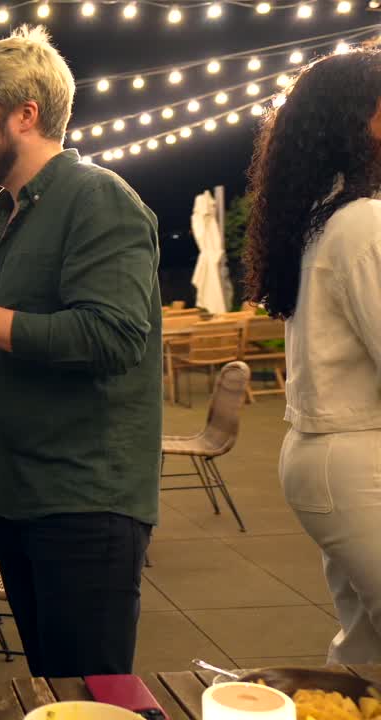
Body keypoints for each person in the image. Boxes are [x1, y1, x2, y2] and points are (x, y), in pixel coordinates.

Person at [0, 25, 162, 678]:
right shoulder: (10, 219)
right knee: (52, 686)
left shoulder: (98, 199)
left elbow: (113, 337)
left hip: (86, 504)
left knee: (90, 698)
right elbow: (3, 369)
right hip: (21, 498)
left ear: (26, 114)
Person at [244, 48, 381, 664]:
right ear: (361, 124)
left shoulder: (328, 220)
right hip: (354, 459)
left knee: (366, 649)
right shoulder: (363, 223)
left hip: (330, 457)